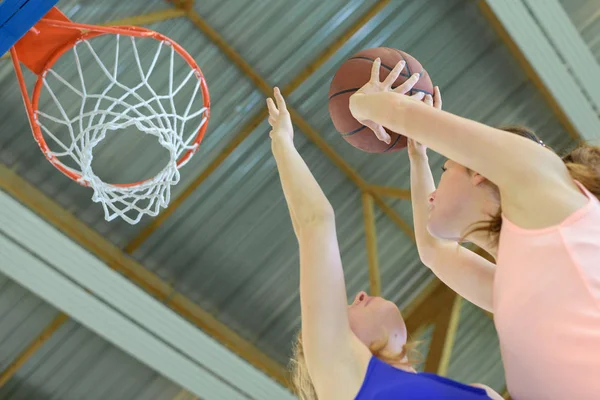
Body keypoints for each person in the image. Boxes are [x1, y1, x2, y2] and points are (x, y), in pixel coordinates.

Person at [348, 58, 600, 400]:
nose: (432, 193)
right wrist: (418, 155)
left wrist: (359, 102)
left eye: (445, 169)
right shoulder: (512, 281)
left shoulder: (542, 184)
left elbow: (394, 111)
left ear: (478, 171)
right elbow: (433, 252)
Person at [267, 87, 502, 400]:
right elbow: (315, 224)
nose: (360, 294)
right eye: (345, 307)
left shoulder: (482, 393)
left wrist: (418, 156)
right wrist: (282, 144)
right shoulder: (340, 378)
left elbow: (435, 250)